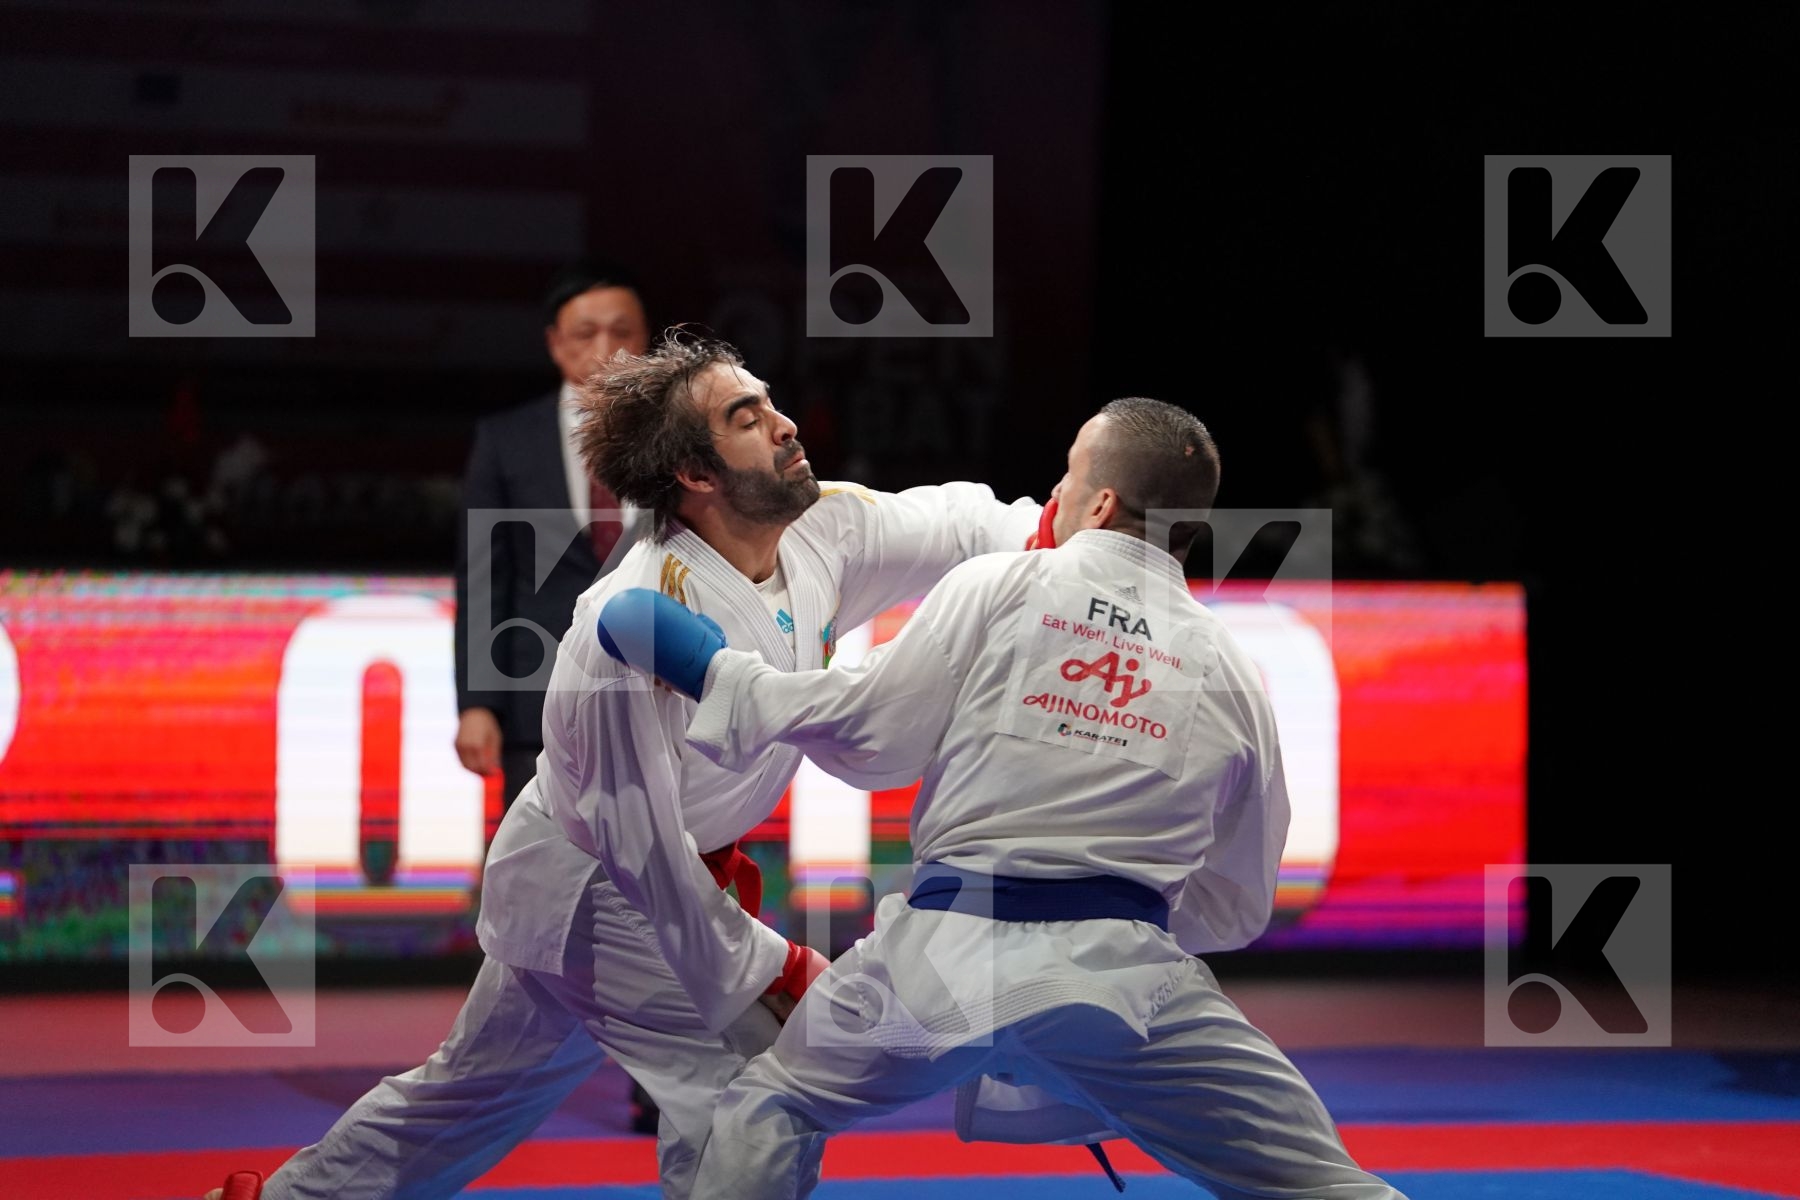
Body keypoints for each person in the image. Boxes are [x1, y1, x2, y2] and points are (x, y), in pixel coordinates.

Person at [204, 333, 1038, 1200]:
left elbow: (963, 521)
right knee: (752, 1098)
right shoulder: (629, 621)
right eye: (746, 418)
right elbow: (639, 850)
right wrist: (768, 968)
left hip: (637, 875)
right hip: (601, 891)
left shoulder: (819, 525)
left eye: (769, 401)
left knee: (470, 1096)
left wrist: (1078, 532)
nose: (786, 426)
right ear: (698, 475)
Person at [599, 398, 1406, 1198]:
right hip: (1127, 985)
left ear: (1097, 503)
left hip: (941, 962)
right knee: (1322, 1182)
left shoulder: (1002, 583)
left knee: (769, 1105)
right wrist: (1117, 909)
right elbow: (1238, 906)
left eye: (1065, 476)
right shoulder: (1231, 672)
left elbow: (872, 737)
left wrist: (715, 672)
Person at [454, 258, 651, 812]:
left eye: (623, 331)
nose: (606, 347)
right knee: (539, 872)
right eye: (587, 333)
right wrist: (478, 704)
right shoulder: (506, 440)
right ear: (556, 343)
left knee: (665, 879)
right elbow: (482, 577)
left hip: (662, 691)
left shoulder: (684, 437)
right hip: (536, 693)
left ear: (647, 340)